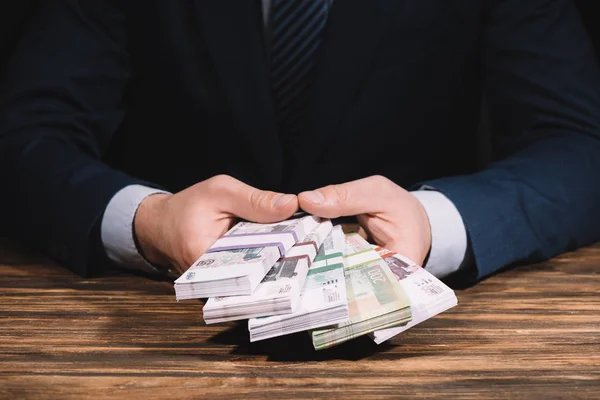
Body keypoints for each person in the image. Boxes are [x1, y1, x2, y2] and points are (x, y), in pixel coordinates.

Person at [1, 0, 599, 284]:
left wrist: (435, 222)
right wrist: (145, 221)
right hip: (153, 323)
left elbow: (580, 147)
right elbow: (26, 133)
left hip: (419, 343)